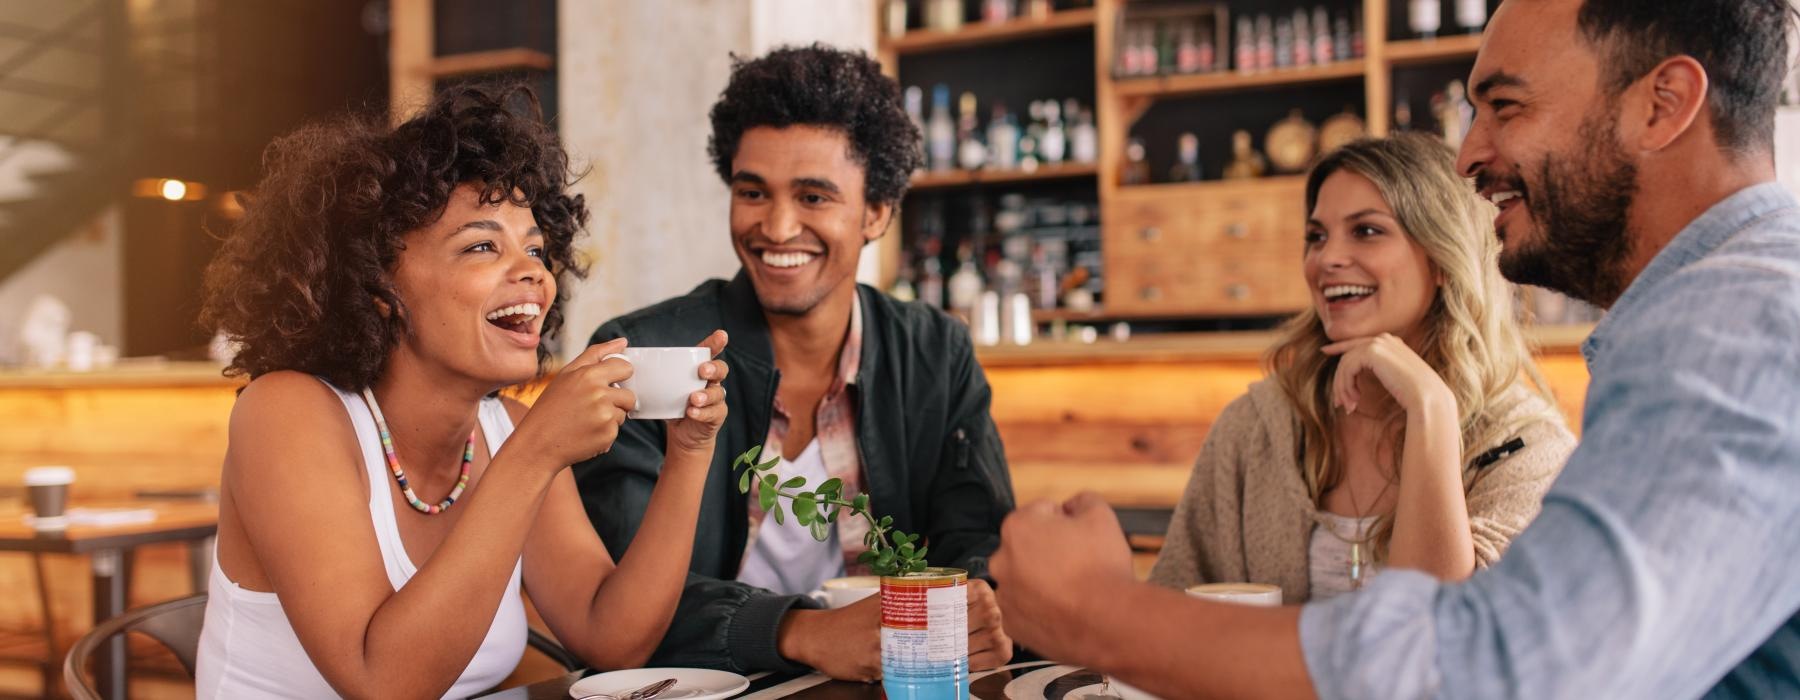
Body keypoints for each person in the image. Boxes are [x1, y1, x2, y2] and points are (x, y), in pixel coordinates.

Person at [990, 0, 1800, 697]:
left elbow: (1484, 672)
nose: (1469, 155)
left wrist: (1099, 612)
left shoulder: (1733, 328)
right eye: (1316, 236)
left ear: (1663, 105)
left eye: (1506, 107)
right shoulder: (1719, 314)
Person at [193, 84, 730, 698]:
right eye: (482, 245)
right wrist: (536, 455)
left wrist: (689, 452)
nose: (533, 270)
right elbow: (383, 681)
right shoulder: (288, 413)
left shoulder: (509, 428)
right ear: (377, 286)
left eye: (535, 247)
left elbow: (611, 636)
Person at [573, 45, 1015, 682]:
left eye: (813, 197)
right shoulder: (645, 356)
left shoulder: (936, 354)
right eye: (753, 191)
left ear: (877, 212)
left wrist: (976, 617)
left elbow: (979, 547)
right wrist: (801, 631)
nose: (777, 227)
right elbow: (616, 600)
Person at [1149, 133, 1575, 603]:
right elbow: (1167, 614)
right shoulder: (1255, 429)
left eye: (1366, 231)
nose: (1326, 259)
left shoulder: (1528, 451)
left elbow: (1440, 633)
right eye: (1316, 237)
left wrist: (1429, 408)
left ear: (1441, 258)